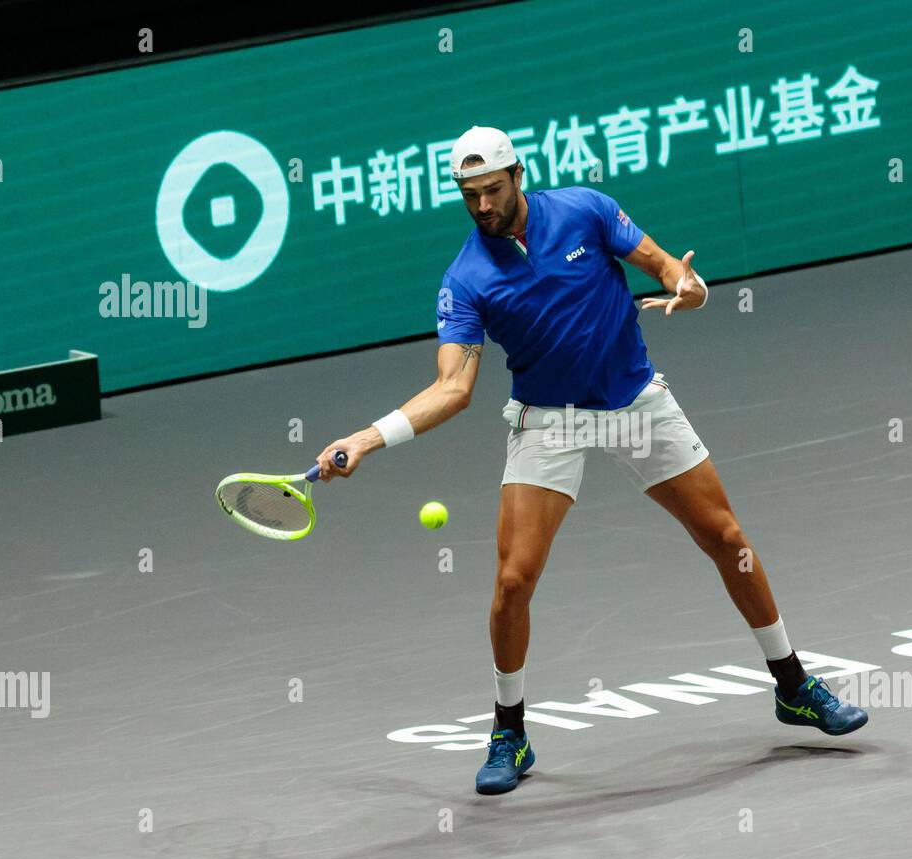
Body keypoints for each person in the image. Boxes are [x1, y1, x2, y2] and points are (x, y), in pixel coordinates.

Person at [315, 125, 867, 795]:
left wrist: (689, 286)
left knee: (726, 538)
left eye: (491, 190)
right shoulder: (466, 279)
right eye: (469, 195)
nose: (482, 206)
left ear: (518, 175)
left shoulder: (585, 210)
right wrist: (367, 439)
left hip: (635, 401)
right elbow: (453, 389)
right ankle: (509, 733)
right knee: (513, 582)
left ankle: (793, 685)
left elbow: (665, 265)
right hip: (549, 423)